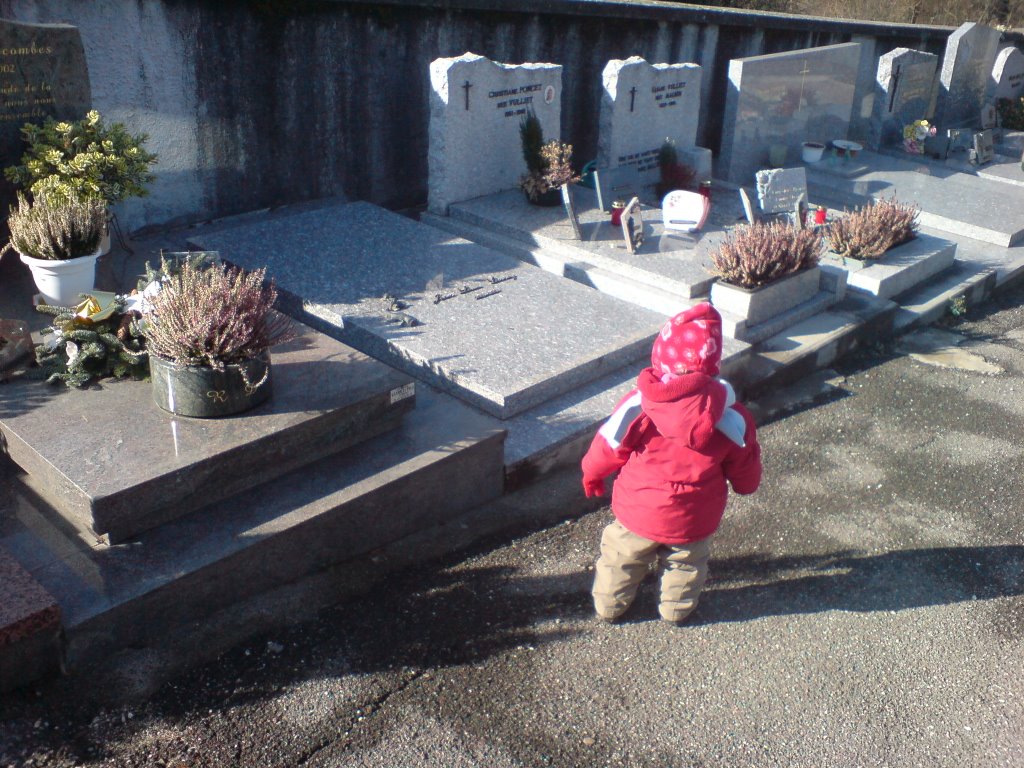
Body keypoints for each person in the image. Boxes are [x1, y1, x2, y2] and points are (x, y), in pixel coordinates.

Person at [581, 302, 762, 624]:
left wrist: (592, 475)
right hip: (695, 517)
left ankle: (610, 608)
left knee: (621, 560)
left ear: (660, 357)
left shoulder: (637, 408)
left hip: (639, 510)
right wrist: (746, 486)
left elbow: (608, 445)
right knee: (686, 565)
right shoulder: (732, 418)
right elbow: (744, 460)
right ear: (712, 364)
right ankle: (675, 611)